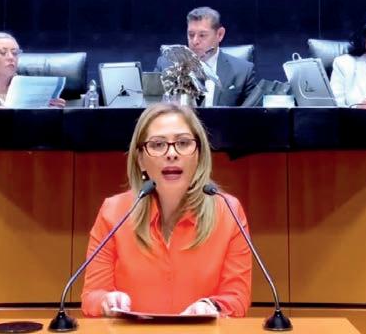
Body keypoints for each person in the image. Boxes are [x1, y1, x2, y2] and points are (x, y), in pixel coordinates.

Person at [81, 103, 252, 317]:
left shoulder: (228, 211)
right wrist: (106, 301)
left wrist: (212, 306)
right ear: (141, 160)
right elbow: (92, 295)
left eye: (183, 143)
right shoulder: (113, 212)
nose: (171, 153)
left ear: (199, 155)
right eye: (158, 144)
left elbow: (237, 297)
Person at [155, 7, 257, 106]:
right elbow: (152, 108)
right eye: (191, 35)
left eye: (202, 35)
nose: (195, 41)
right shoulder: (165, 66)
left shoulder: (243, 71)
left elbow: (252, 115)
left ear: (220, 34)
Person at [0, 32, 65, 111]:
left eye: (15, 53)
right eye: (3, 52)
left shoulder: (32, 87)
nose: (11, 57)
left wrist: (54, 112)